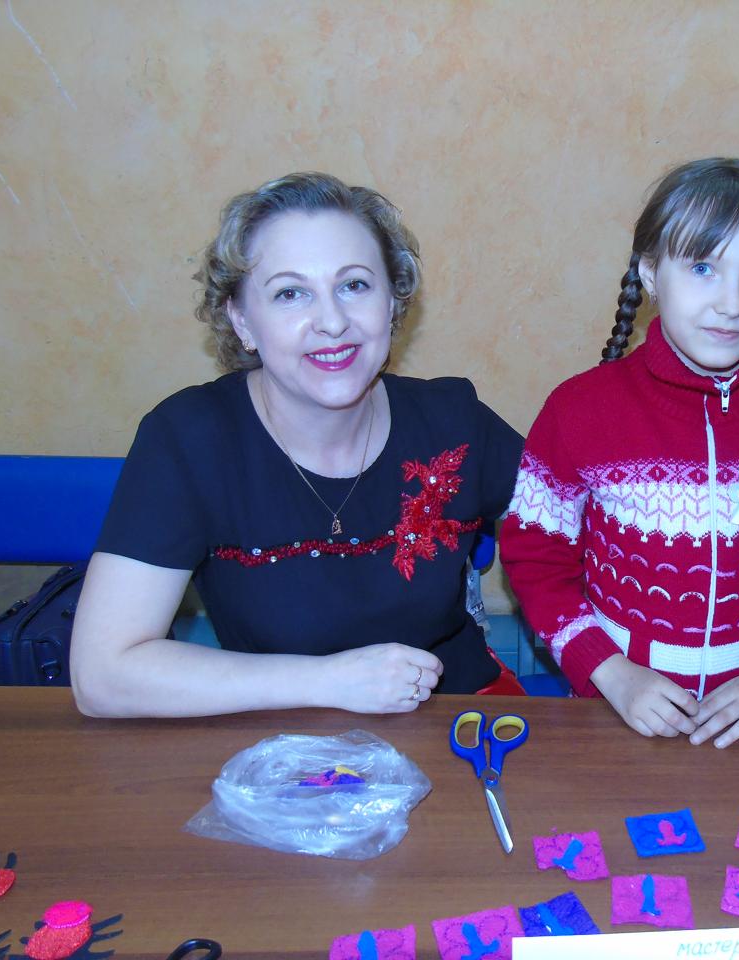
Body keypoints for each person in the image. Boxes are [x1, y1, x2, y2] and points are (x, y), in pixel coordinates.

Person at [71, 172, 525, 718]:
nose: (332, 322)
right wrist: (330, 682)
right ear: (242, 320)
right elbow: (102, 675)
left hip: (462, 724)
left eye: (354, 285)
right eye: (290, 293)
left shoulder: (455, 422)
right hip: (277, 735)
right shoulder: (191, 439)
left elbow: (592, 526)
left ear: (391, 302)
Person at [500, 158, 739, 747]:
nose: (732, 303)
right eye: (702, 267)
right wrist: (610, 674)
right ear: (650, 272)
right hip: (612, 709)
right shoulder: (577, 411)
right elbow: (536, 560)